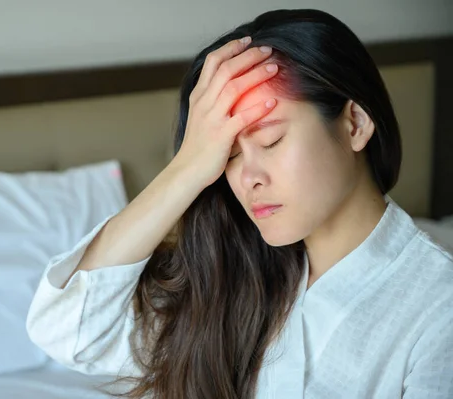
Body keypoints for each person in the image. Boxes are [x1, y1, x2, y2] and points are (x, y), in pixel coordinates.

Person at [26, 8, 453, 399]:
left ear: (355, 124)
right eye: (228, 155)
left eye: (271, 140)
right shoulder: (228, 280)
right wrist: (188, 167)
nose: (249, 179)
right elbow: (70, 332)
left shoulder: (436, 310)